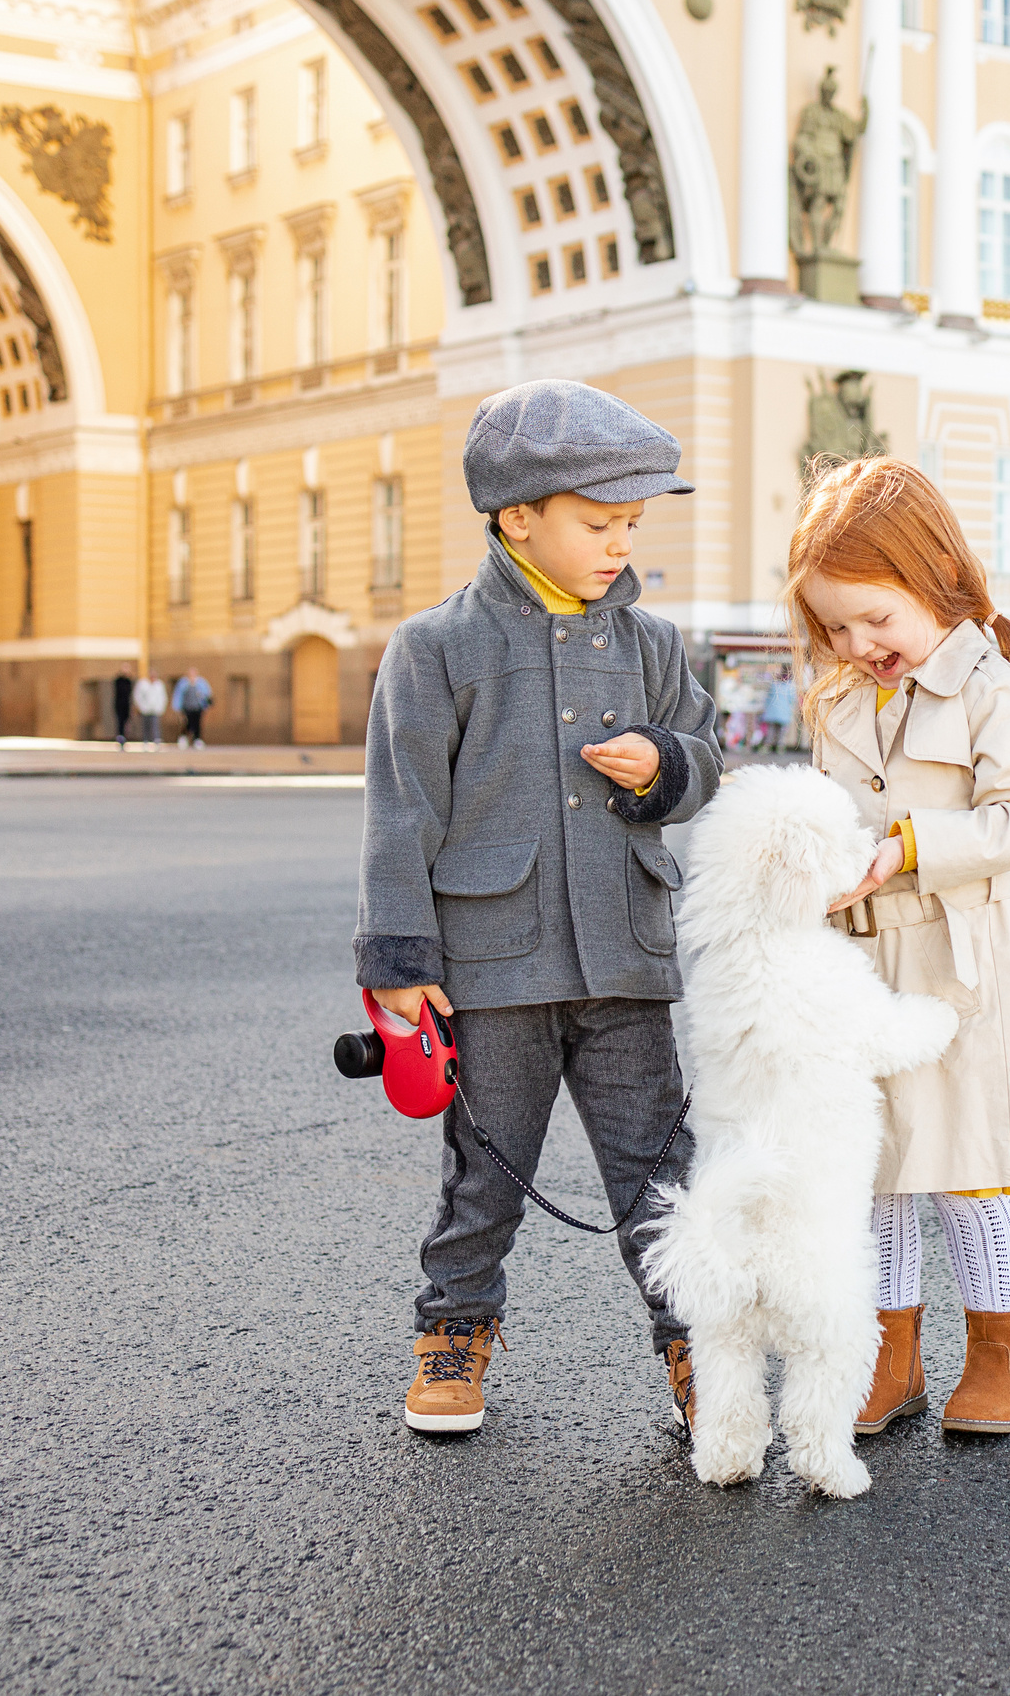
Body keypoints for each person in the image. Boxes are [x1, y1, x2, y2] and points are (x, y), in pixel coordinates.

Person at [356, 379, 722, 1439]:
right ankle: (453, 1332)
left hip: (624, 961)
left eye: (630, 525)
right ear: (519, 516)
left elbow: (706, 761)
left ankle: (702, 1350)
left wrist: (663, 764)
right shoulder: (436, 648)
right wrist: (398, 959)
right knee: (487, 1172)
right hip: (489, 963)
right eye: (598, 523)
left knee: (660, 1172)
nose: (620, 544)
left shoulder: (652, 644)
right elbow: (399, 812)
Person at [785, 455, 1010, 1440]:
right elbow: (832, 814)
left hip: (956, 966)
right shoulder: (834, 702)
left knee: (965, 1166)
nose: (855, 642)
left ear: (933, 578)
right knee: (872, 1170)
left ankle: (1001, 1354)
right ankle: (889, 1359)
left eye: (875, 617)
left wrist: (906, 848)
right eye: (834, 626)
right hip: (854, 964)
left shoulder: (999, 691)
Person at [170, 668, 212, 748]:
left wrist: (206, 706)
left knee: (197, 723)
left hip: (198, 707)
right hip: (187, 707)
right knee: (187, 723)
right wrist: (176, 707)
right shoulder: (183, 683)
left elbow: (207, 695)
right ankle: (184, 738)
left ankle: (197, 739)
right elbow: (178, 695)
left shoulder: (201, 683)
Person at [758, 669, 797, 753]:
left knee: (771, 731)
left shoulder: (773, 685)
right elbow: (792, 700)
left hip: (772, 712)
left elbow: (767, 698)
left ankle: (767, 746)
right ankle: (780, 747)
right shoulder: (790, 687)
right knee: (781, 732)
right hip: (784, 713)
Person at [133, 670, 168, 747]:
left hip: (155, 709)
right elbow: (138, 696)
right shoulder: (142, 684)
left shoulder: (159, 685)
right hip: (145, 709)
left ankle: (156, 740)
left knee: (155, 725)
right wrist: (139, 706)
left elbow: (162, 697)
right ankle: (145, 740)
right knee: (145, 725)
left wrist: (161, 708)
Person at [111, 664, 135, 748]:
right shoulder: (118, 681)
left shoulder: (128, 681)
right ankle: (120, 737)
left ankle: (125, 736)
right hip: (119, 705)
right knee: (120, 721)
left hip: (126, 705)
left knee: (126, 721)